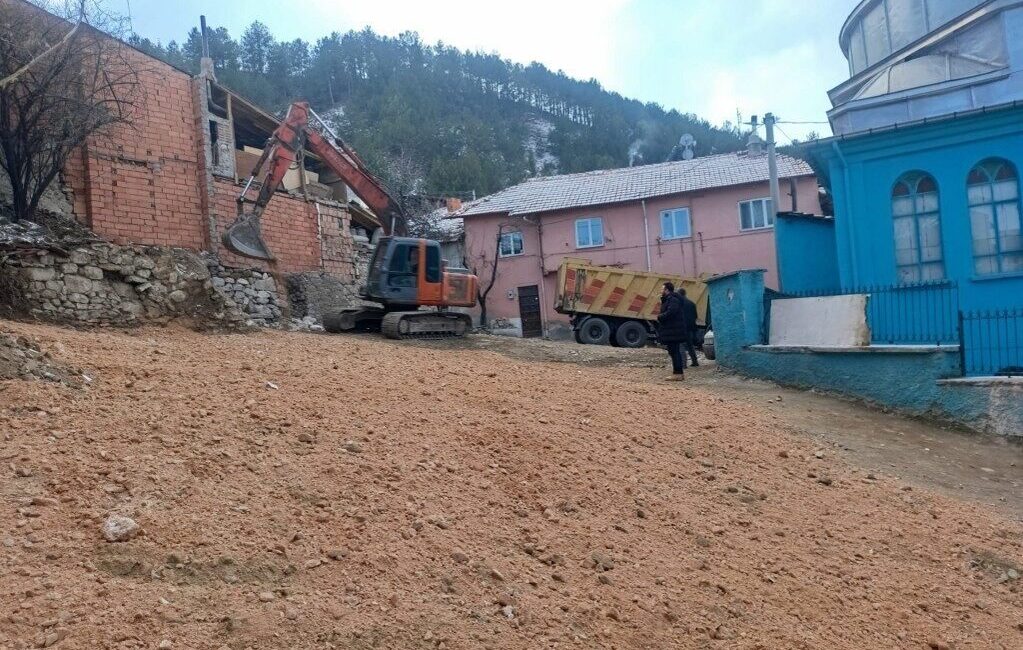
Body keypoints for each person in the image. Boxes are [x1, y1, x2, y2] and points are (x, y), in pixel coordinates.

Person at [656, 282, 687, 381]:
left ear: (667, 290)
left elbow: (671, 312)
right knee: (673, 351)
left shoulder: (673, 300)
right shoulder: (670, 299)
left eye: (662, 289)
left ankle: (678, 373)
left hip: (674, 331)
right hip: (672, 330)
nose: (661, 291)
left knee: (674, 352)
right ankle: (678, 373)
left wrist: (660, 317)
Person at [678, 287, 699, 368]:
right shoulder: (692, 303)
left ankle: (683, 364)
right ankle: (695, 361)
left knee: (681, 345)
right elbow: (695, 316)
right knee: (690, 345)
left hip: (681, 327)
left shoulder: (678, 304)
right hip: (690, 328)